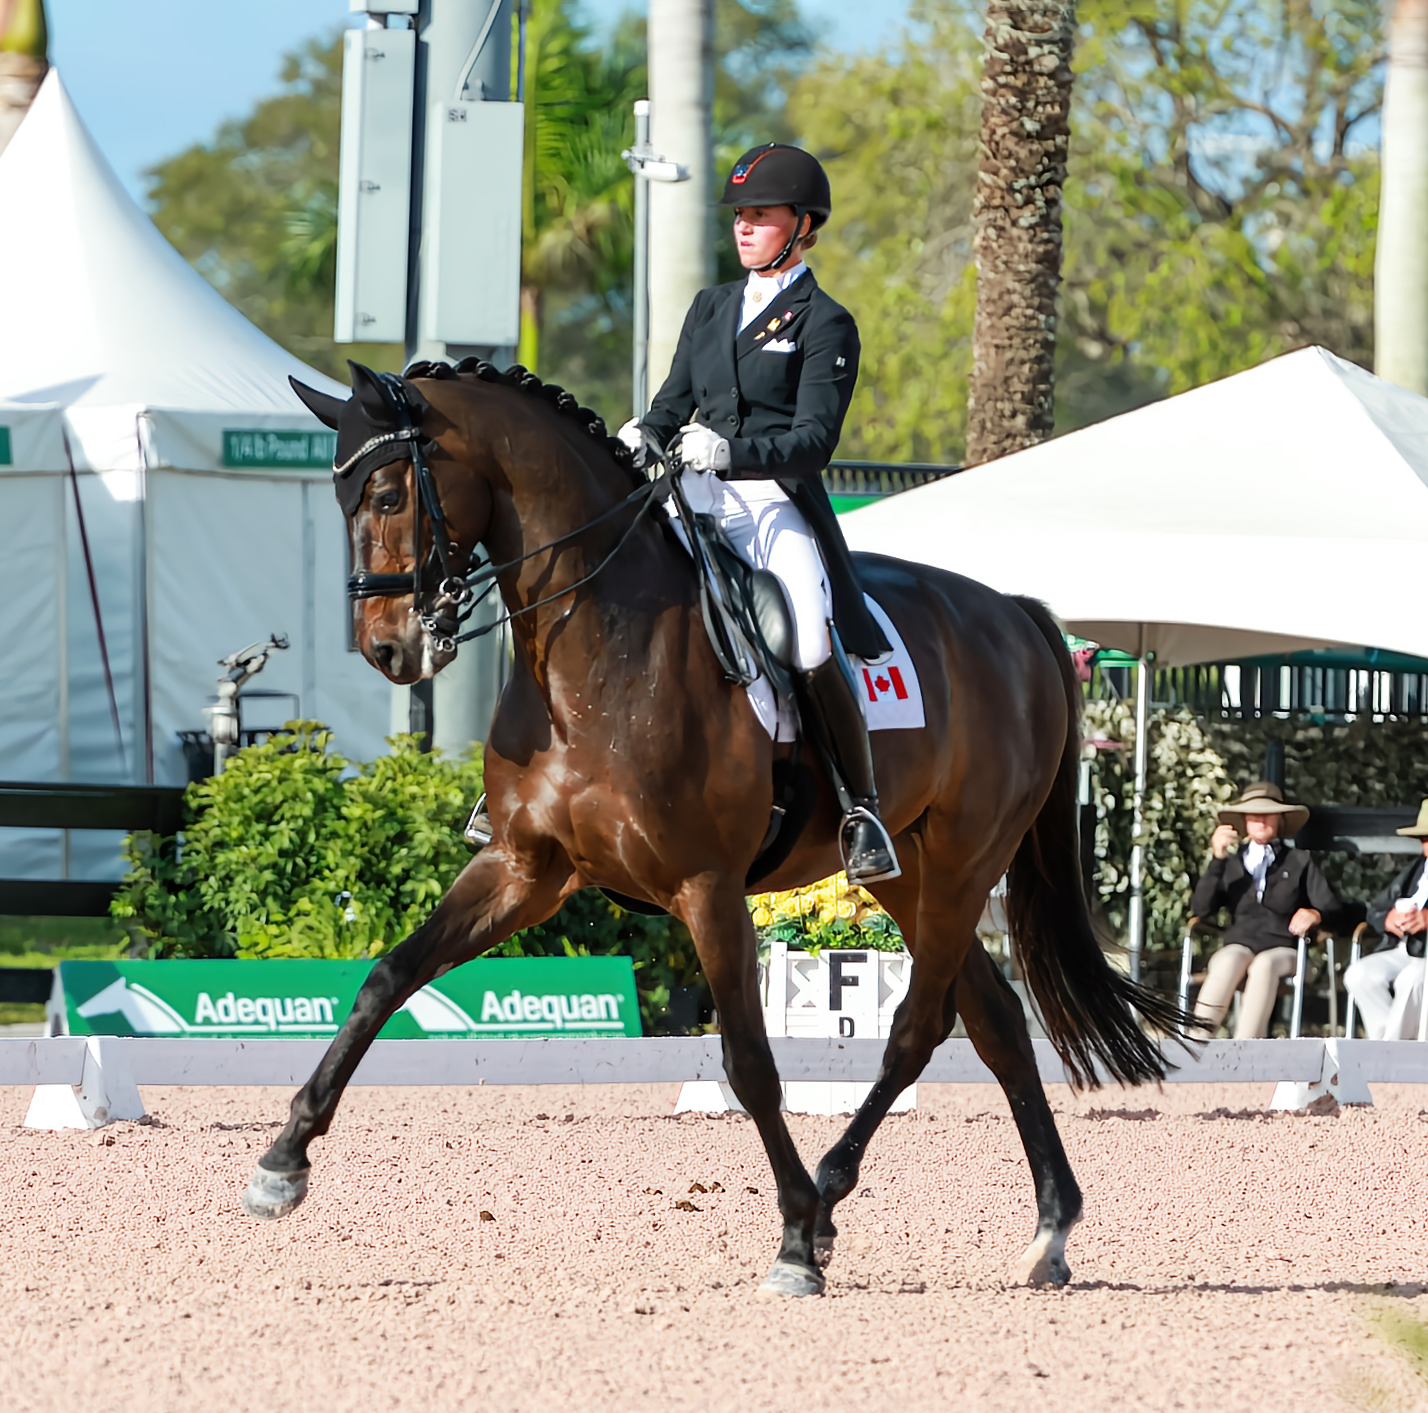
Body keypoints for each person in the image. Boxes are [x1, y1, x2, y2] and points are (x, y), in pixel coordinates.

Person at [619, 142, 899, 886]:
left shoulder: (826, 322)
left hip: (772, 503)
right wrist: (643, 432)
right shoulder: (710, 307)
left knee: (807, 633)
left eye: (761, 215)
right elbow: (672, 403)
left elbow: (814, 440)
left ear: (803, 225)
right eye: (740, 215)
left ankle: (859, 807)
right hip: (691, 495)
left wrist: (731, 453)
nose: (744, 227)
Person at [1188, 781, 1343, 1039]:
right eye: (1253, 813)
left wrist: (1315, 914)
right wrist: (1218, 858)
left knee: (1264, 964)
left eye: (1267, 812)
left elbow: (1334, 908)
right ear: (1244, 820)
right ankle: (1194, 1045)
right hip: (1241, 944)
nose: (1260, 819)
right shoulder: (1232, 862)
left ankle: (1246, 1051)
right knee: (1227, 960)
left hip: (1285, 950)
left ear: (1280, 819)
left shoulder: (1299, 861)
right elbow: (1201, 909)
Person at [1343, 799, 1428, 1039]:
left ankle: (1391, 1051)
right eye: (1423, 838)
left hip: (1424, 957)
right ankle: (1383, 1044)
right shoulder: (1417, 869)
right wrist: (1388, 919)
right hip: (1405, 948)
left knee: (1412, 979)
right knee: (1359, 974)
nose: (1426, 843)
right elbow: (1377, 908)